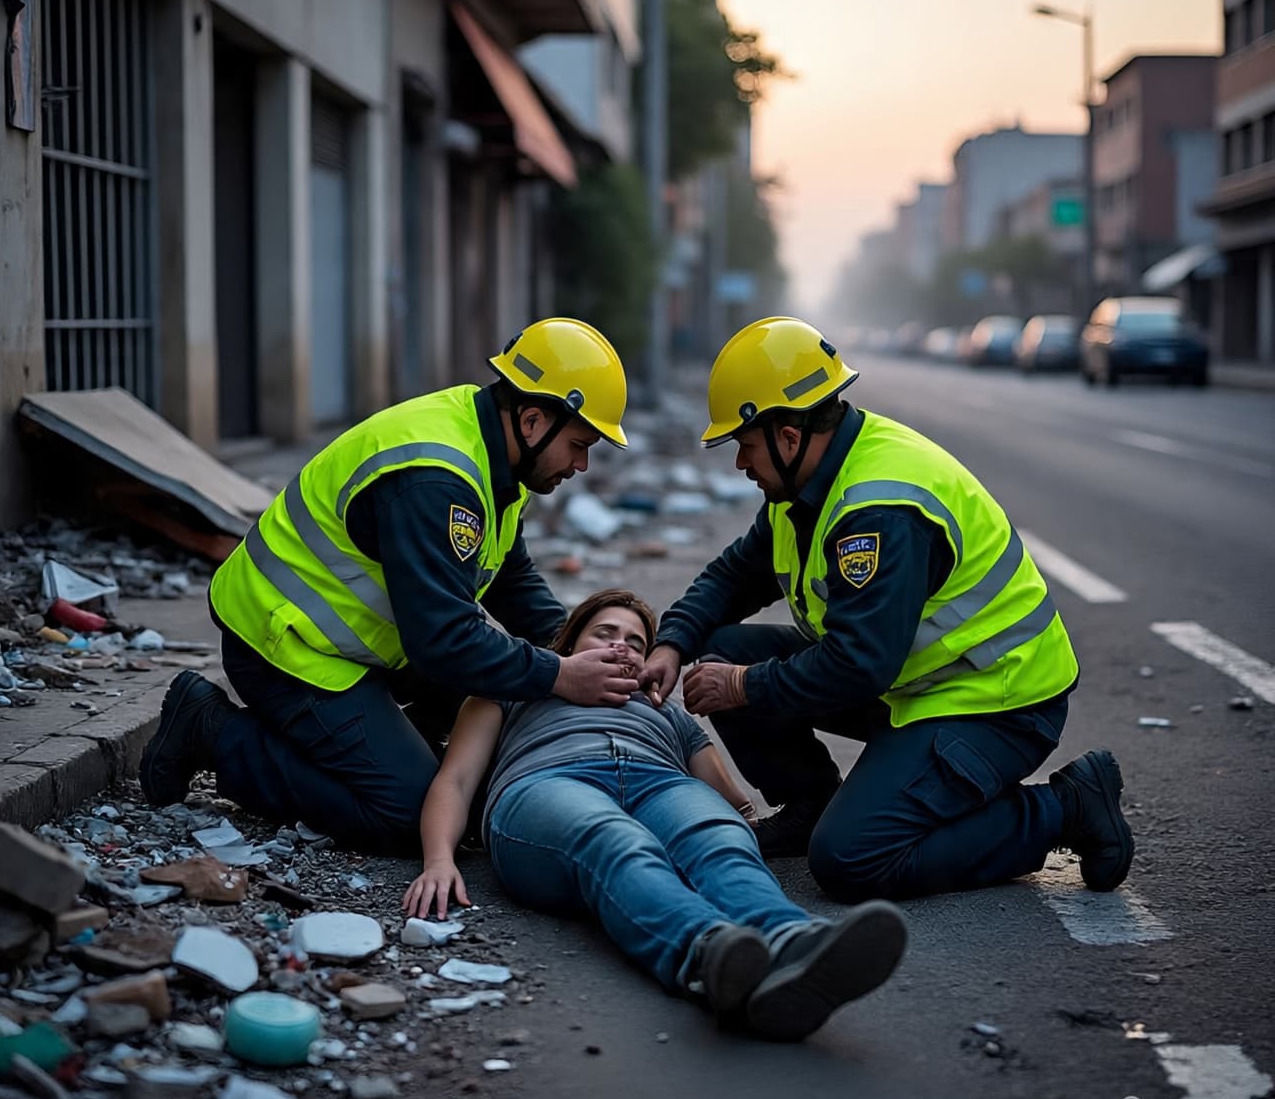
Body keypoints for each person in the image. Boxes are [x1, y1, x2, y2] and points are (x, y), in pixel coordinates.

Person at [639, 316, 1134, 903]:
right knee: (719, 648)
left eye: (744, 446)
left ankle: (1065, 808)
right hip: (912, 685)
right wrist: (673, 642)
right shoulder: (805, 485)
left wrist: (744, 686)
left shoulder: (878, 510)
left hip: (995, 703)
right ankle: (810, 806)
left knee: (852, 859)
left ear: (788, 436)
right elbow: (735, 575)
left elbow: (857, 665)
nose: (741, 464)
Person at [140, 319, 640, 853]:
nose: (582, 464)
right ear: (534, 419)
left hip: (364, 642)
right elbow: (446, 640)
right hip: (284, 644)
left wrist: (578, 647)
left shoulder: (495, 454)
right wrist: (560, 673)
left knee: (503, 713)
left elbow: (510, 578)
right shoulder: (437, 478)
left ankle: (369, 745)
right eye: (579, 444)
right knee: (410, 810)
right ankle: (211, 731)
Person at [404, 588, 908, 1043]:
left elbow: (731, 800)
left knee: (717, 838)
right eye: (604, 633)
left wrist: (738, 814)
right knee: (616, 840)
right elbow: (457, 780)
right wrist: (438, 860)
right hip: (549, 786)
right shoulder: (515, 684)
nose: (622, 645)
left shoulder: (663, 708)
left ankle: (791, 943)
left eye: (635, 641)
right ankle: (707, 955)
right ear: (569, 642)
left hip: (660, 783)